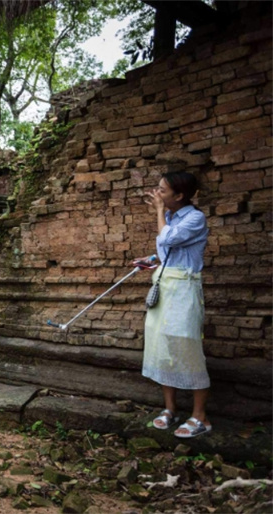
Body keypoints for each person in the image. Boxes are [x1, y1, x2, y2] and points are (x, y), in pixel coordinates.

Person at [132, 171, 210, 439]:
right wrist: (153, 260)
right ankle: (170, 409)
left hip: (184, 291)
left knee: (186, 346)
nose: (157, 193)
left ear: (179, 195)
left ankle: (200, 416)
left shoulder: (195, 218)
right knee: (162, 345)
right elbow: (169, 251)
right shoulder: (173, 218)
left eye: (162, 190)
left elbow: (168, 238)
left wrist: (158, 211)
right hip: (164, 287)